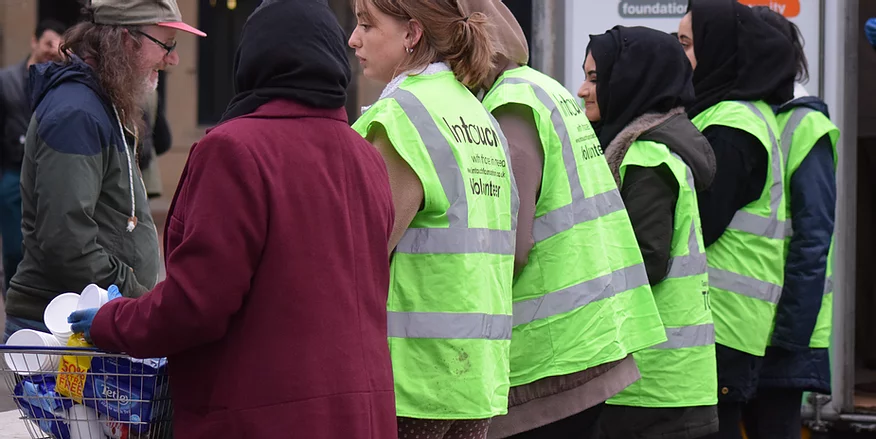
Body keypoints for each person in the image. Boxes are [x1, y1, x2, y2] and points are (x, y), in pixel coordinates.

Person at [68, 1, 399, 438]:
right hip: (362, 416)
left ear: (254, 59)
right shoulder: (365, 157)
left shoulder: (235, 149)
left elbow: (196, 305)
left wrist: (111, 321)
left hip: (262, 417)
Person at [468, 2, 667, 437]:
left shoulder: (511, 103)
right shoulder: (542, 88)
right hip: (591, 340)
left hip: (552, 358)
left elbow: (510, 248)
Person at [348, 0, 518, 437]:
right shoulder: (477, 113)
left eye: (367, 24)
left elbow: (359, 252)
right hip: (474, 377)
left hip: (412, 380)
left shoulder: (403, 115)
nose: (353, 39)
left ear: (412, 33)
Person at [3, 0, 205, 339]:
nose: (173, 60)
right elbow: (66, 240)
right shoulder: (76, 113)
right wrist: (139, 299)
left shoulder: (100, 102)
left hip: (87, 320)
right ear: (126, 39)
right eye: (166, 45)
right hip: (60, 328)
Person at [581, 25, 718, 439]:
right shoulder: (651, 147)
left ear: (631, 79)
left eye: (594, 79)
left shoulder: (646, 155)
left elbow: (645, 260)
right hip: (666, 381)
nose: (583, 90)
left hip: (650, 383)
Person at [677, 1, 796, 438]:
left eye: (687, 44)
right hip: (723, 322)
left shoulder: (731, 125)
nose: (678, 55)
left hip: (720, 322)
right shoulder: (728, 112)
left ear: (720, 50)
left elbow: (699, 224)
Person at [741, 7, 838, 439]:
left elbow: (813, 239)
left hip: (781, 334)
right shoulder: (746, 115)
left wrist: (789, 338)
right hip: (750, 326)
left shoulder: (804, 124)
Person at [0, 19, 66, 298]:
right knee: (14, 246)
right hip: (12, 172)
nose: (52, 50)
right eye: (48, 43)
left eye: (59, 46)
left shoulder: (62, 82)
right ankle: (14, 296)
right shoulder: (6, 81)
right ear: (34, 41)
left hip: (48, 174)